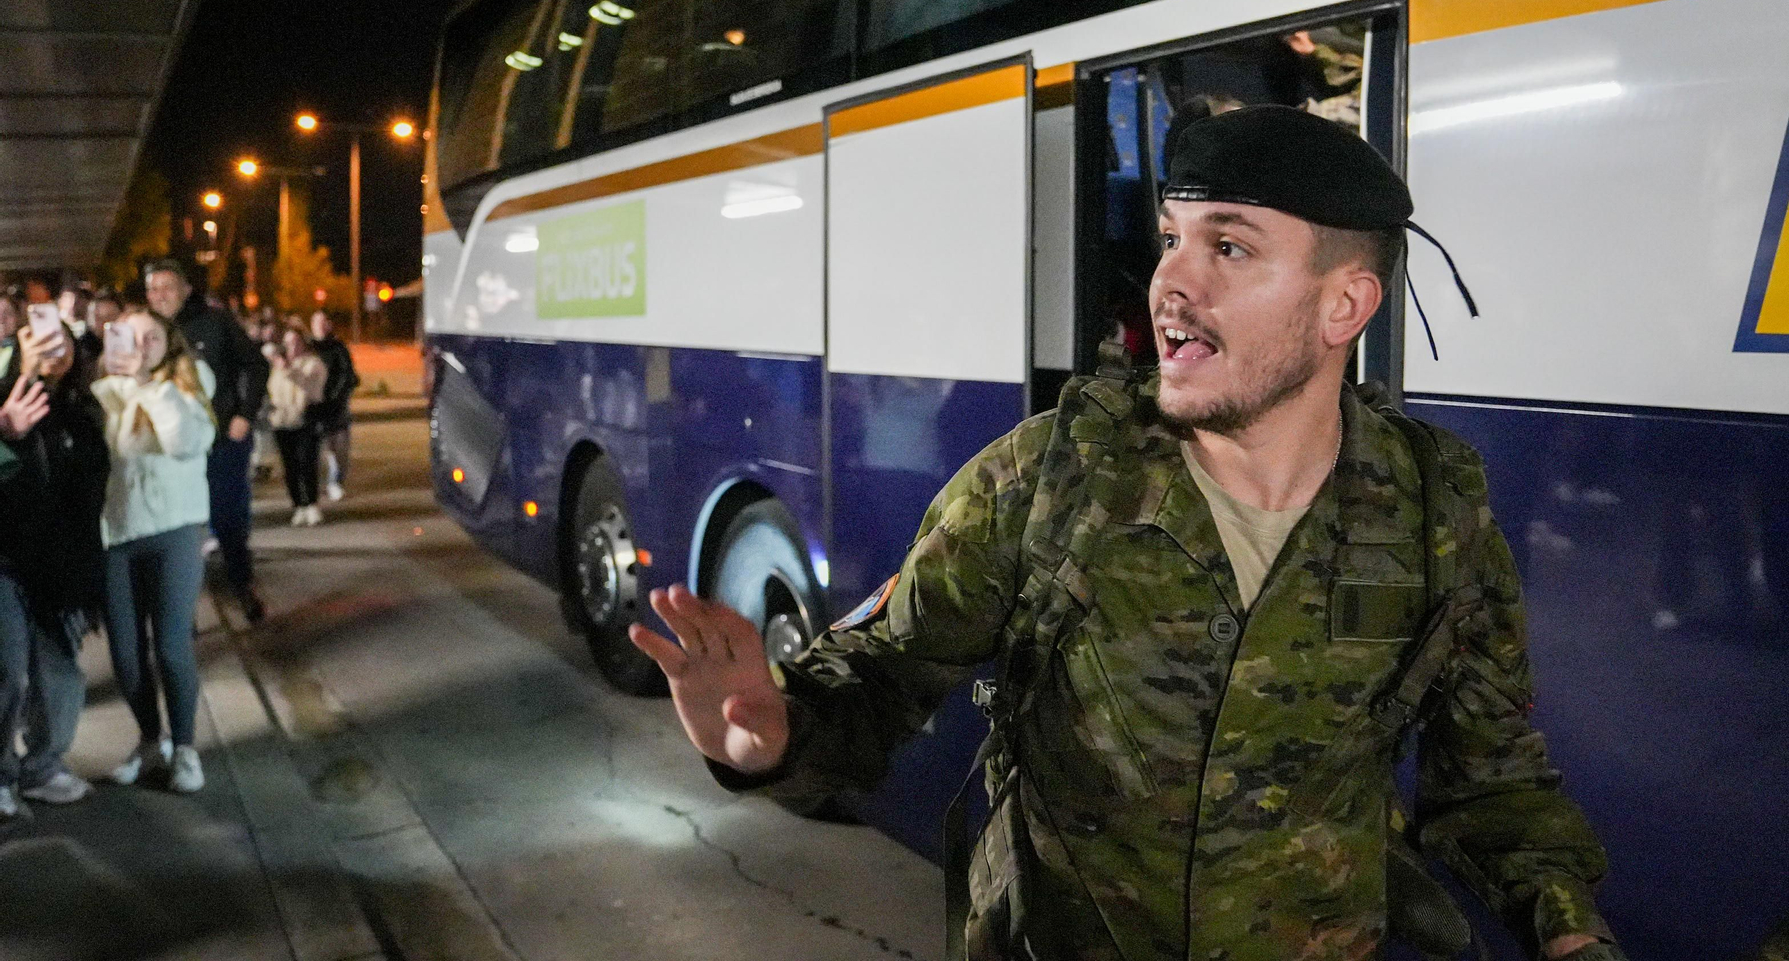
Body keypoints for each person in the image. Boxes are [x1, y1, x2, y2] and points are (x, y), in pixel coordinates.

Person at [632, 107, 1622, 961]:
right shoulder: (1051, 475)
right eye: (1169, 238)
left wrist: (1570, 933)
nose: (1170, 282)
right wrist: (772, 733)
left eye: (1226, 247)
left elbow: (1494, 784)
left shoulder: (1426, 509)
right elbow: (886, 672)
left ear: (1342, 304)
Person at [96, 307, 216, 794]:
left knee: (170, 646)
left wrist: (146, 383)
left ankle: (185, 749)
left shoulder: (189, 381)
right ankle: (151, 740)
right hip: (119, 533)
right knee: (125, 657)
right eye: (130, 335)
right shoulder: (104, 390)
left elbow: (183, 441)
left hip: (176, 526)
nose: (141, 345)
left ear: (169, 341)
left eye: (151, 336)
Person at [0, 322, 107, 820]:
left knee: (60, 671)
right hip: (6, 559)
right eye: (36, 339)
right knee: (9, 672)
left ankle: (43, 766)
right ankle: (2, 773)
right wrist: (9, 430)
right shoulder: (6, 399)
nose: (50, 350)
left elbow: (90, 498)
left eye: (60, 341)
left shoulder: (84, 413)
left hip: (60, 563)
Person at [143, 257, 267, 623]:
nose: (159, 296)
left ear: (185, 289)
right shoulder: (147, 330)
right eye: (152, 289)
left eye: (167, 287)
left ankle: (241, 585)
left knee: (228, 519)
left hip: (221, 442)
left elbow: (257, 366)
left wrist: (245, 414)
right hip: (170, 450)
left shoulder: (216, 322)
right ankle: (185, 611)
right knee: (179, 530)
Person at [267, 323, 327, 526]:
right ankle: (298, 504)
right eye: (288, 343)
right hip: (282, 421)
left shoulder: (313, 364)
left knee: (307, 462)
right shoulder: (277, 366)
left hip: (305, 420)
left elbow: (311, 387)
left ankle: (312, 503)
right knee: (290, 465)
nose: (292, 348)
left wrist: (289, 370)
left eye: (296, 343)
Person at [307, 309, 358, 502]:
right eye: (316, 322)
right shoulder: (309, 348)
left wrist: (335, 397)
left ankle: (335, 482)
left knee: (339, 449)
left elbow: (347, 375)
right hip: (314, 407)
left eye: (323, 321)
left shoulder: (338, 348)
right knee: (319, 448)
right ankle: (320, 484)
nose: (320, 326)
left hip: (336, 407)